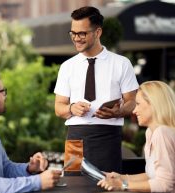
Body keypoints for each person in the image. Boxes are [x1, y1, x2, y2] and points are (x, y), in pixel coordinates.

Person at [54, 6, 139, 172]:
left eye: (82, 33)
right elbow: (59, 107)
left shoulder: (121, 63)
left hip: (108, 136)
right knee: (73, 188)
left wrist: (119, 111)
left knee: (107, 188)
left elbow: (132, 102)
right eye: (73, 33)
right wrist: (71, 108)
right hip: (75, 136)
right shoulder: (67, 67)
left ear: (98, 32)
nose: (76, 38)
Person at [97, 81, 175, 193]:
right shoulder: (151, 132)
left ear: (154, 104)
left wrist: (123, 185)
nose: (134, 111)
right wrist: (121, 177)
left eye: (138, 104)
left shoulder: (162, 133)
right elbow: (153, 175)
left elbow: (165, 184)